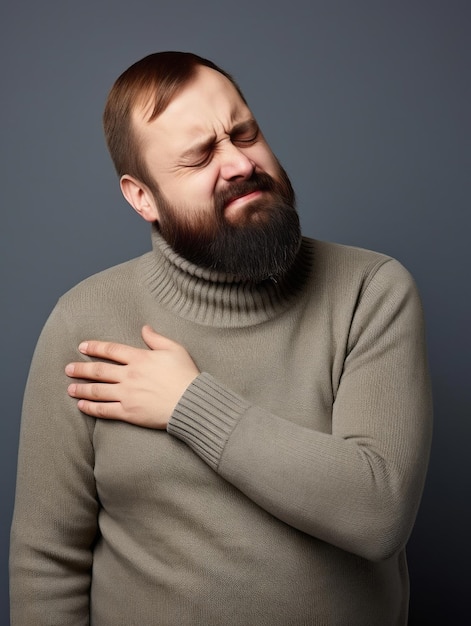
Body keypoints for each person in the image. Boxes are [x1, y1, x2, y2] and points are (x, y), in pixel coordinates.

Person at [10, 51, 432, 626]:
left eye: (243, 133)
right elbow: (45, 562)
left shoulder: (371, 292)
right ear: (142, 198)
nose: (238, 163)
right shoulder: (84, 323)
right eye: (200, 156)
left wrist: (189, 403)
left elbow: (379, 512)